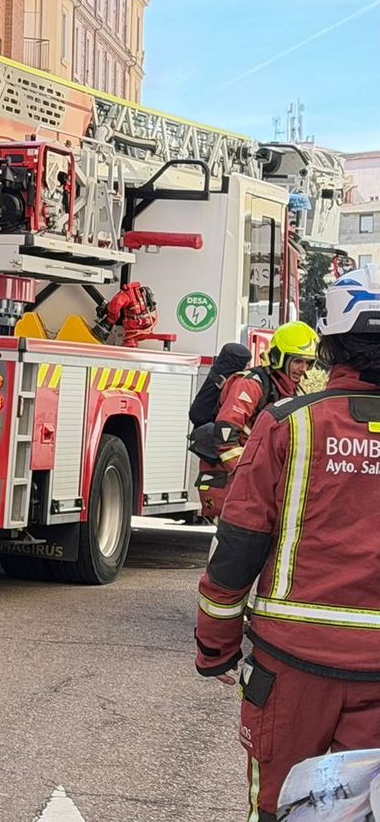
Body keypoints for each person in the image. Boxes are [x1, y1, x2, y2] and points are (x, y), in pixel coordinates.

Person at [194, 266, 380, 821]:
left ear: (328, 346)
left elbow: (238, 548)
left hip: (290, 667)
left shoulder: (288, 424)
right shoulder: (270, 405)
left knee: (278, 810)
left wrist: (215, 647)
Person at [195, 321, 319, 519]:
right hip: (233, 484)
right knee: (236, 546)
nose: (303, 368)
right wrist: (249, 475)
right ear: (280, 357)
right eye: (297, 361)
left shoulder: (287, 389)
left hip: (259, 485)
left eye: (308, 362)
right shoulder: (252, 385)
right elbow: (225, 436)